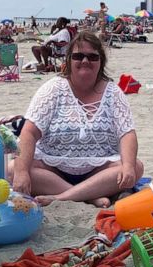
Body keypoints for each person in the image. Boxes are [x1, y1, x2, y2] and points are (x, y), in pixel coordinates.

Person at [13, 31, 142, 207]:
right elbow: (28, 132)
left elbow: (127, 133)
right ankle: (88, 196)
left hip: (99, 169)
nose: (85, 61)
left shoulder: (113, 93)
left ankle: (62, 197)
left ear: (101, 61)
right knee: (11, 169)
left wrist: (127, 166)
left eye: (92, 57)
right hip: (52, 168)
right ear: (69, 60)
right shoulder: (53, 89)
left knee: (135, 166)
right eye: (78, 56)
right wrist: (22, 173)